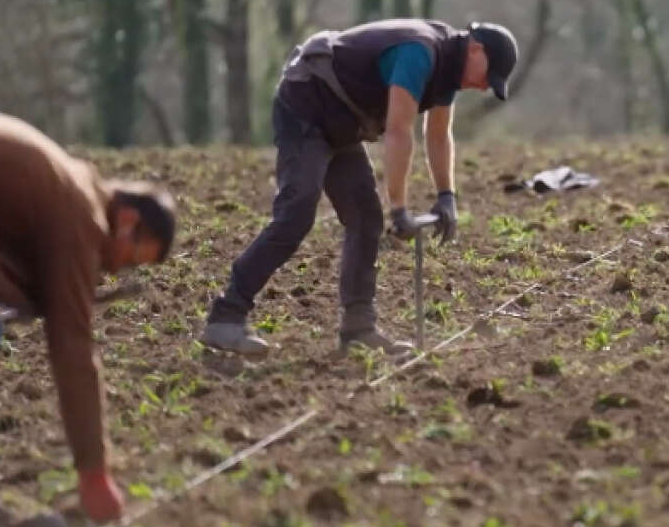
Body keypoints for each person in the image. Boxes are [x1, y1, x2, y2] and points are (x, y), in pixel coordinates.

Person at [0, 106, 176, 527]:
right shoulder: (80, 215)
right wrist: (94, 473)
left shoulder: (68, 184)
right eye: (130, 260)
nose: (117, 271)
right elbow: (72, 346)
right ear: (128, 221)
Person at [202, 18, 518, 357]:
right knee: (296, 214)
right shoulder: (419, 53)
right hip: (307, 102)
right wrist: (399, 208)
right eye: (489, 75)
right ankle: (226, 316)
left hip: (343, 120)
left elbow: (438, 135)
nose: (486, 87)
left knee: (366, 218)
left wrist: (446, 197)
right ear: (476, 48)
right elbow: (399, 130)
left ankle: (359, 328)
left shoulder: (449, 70)